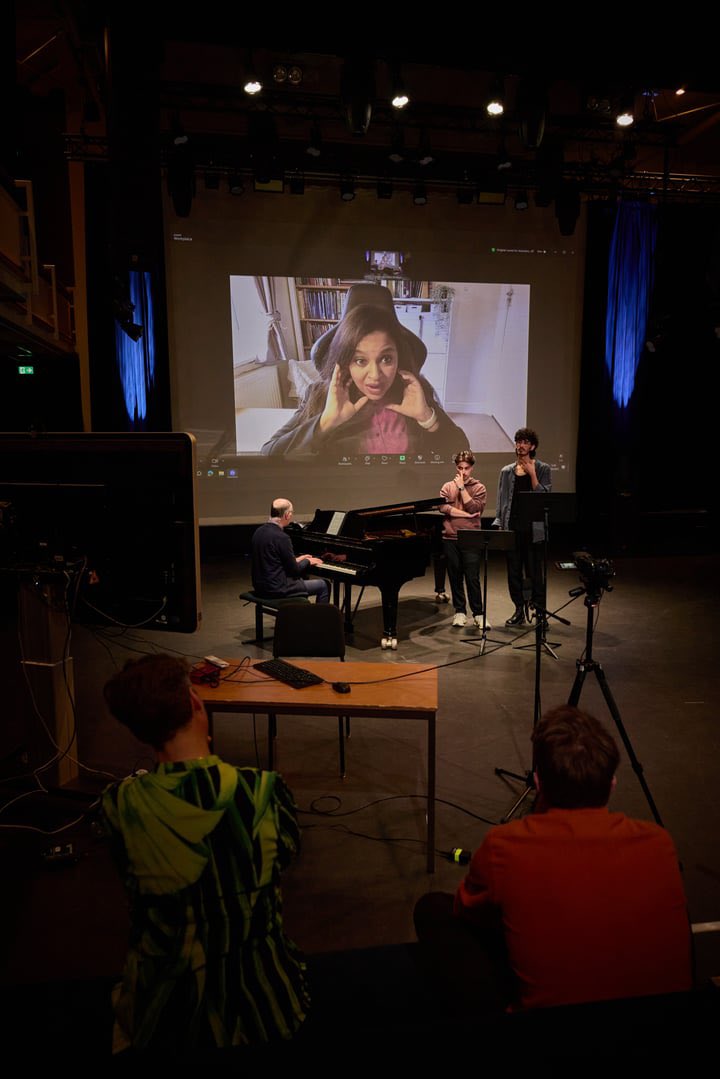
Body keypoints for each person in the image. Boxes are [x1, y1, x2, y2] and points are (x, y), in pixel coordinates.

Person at [414, 706, 692, 1014]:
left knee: (433, 908)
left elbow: (468, 911)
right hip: (664, 1028)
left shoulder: (505, 847)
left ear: (538, 783)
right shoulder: (658, 842)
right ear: (612, 784)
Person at [100, 654, 310, 1051]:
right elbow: (284, 857)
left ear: (141, 731)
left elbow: (135, 886)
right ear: (196, 703)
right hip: (265, 1007)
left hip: (165, 1014)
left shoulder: (119, 806)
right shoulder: (263, 791)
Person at [261, 283, 468, 457]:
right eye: (360, 360)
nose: (375, 375)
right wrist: (325, 423)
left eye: (386, 359)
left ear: (399, 358)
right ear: (344, 361)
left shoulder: (414, 391)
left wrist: (427, 418)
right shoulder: (319, 395)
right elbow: (269, 454)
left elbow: (462, 454)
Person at [493, 426, 551, 627]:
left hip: (534, 530)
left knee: (535, 573)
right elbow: (501, 500)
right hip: (513, 528)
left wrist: (532, 474)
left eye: (525, 442)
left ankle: (540, 614)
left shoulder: (543, 468)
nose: (520, 445)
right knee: (514, 572)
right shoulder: (506, 471)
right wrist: (500, 524)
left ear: (532, 446)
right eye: (518, 442)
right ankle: (519, 609)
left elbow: (544, 497)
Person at [439, 450, 489, 628]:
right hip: (451, 537)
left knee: (472, 577)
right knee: (455, 576)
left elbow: (475, 507)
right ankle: (460, 611)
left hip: (471, 538)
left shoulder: (479, 488)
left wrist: (462, 488)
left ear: (472, 468)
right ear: (456, 467)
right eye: (460, 468)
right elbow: (444, 508)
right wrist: (467, 516)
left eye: (466, 468)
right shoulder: (447, 487)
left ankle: (478, 613)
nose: (463, 472)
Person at [251, 497, 330, 602]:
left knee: (302, 580)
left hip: (260, 587)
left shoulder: (259, 532)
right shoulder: (282, 537)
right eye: (291, 513)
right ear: (287, 515)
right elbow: (295, 571)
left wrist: (297, 559)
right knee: (324, 585)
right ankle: (320, 618)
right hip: (277, 589)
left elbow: (273, 560)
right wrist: (307, 561)